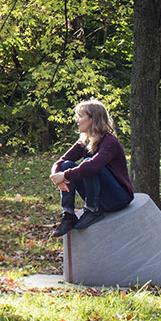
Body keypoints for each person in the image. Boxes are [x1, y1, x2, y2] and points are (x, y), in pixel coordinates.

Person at [48, 99, 135, 238]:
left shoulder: (109, 141)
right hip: (100, 195)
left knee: (89, 164)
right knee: (66, 165)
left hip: (118, 198)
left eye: (80, 116)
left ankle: (93, 210)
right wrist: (56, 176)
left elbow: (93, 166)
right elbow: (62, 160)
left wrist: (65, 176)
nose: (77, 120)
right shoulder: (85, 140)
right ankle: (69, 215)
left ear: (93, 119)